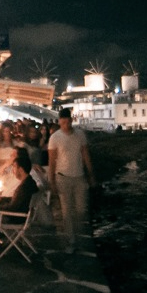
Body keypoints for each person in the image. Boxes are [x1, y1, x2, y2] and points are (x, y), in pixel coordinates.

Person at [47, 107, 97, 253]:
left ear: (71, 120)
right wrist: (52, 181)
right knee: (66, 211)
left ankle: (77, 234)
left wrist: (91, 174)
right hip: (62, 177)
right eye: (63, 123)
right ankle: (71, 240)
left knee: (81, 210)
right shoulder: (55, 138)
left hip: (79, 177)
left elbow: (86, 155)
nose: (66, 125)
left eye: (68, 122)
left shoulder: (80, 135)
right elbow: (52, 161)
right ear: (59, 122)